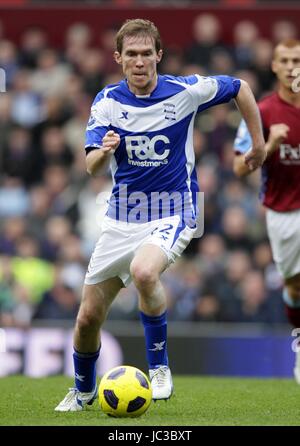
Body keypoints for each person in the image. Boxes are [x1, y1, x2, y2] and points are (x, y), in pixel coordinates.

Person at [55, 18, 265, 411]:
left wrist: (258, 144)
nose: (139, 62)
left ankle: (159, 366)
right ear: (118, 58)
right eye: (131, 54)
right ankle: (82, 391)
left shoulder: (184, 91)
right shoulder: (107, 102)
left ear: (159, 56)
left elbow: (241, 88)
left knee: (144, 271)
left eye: (146, 54)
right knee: (87, 319)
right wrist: (105, 149)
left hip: (177, 209)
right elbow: (92, 167)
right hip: (123, 216)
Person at [232, 39, 300, 382]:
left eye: (297, 60)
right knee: (295, 286)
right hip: (283, 211)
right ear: (273, 66)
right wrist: (269, 145)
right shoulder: (262, 112)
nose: (291, 67)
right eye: (285, 60)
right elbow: (239, 168)